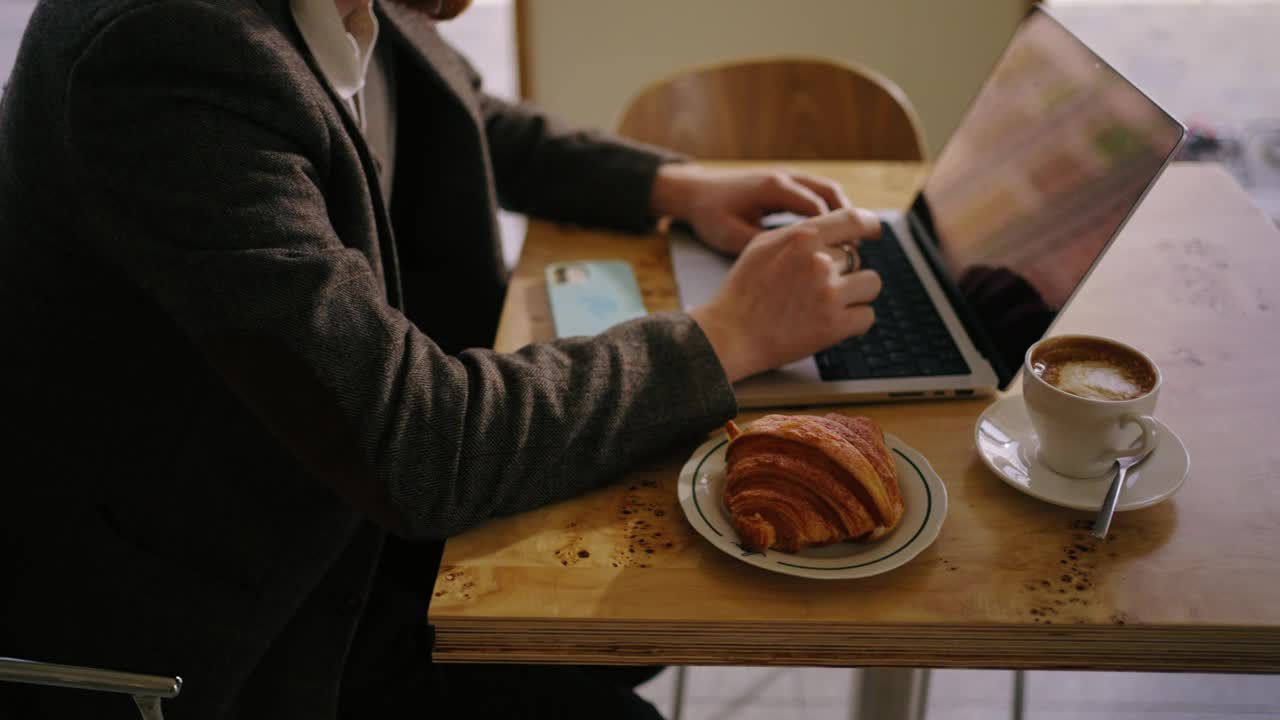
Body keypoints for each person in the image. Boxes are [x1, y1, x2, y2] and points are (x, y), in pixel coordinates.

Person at [0, 0, 883, 717]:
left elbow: (459, 111)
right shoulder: (166, 55)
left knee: (632, 623)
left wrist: (671, 186)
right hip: (249, 604)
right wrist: (727, 334)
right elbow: (419, 443)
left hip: (348, 501)